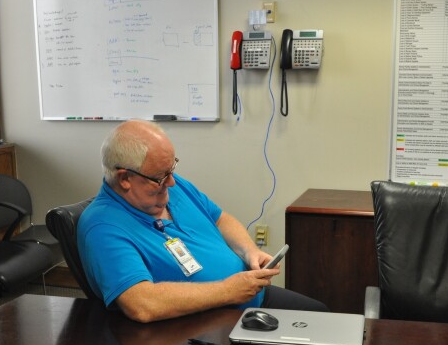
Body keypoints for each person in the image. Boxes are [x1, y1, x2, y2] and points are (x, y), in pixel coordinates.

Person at [78, 119, 328, 323]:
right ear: (124, 179)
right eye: (160, 177)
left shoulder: (172, 187)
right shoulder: (102, 226)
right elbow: (142, 303)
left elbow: (221, 220)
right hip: (205, 324)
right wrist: (228, 290)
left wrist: (249, 252)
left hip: (248, 300)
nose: (172, 182)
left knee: (323, 319)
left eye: (171, 170)